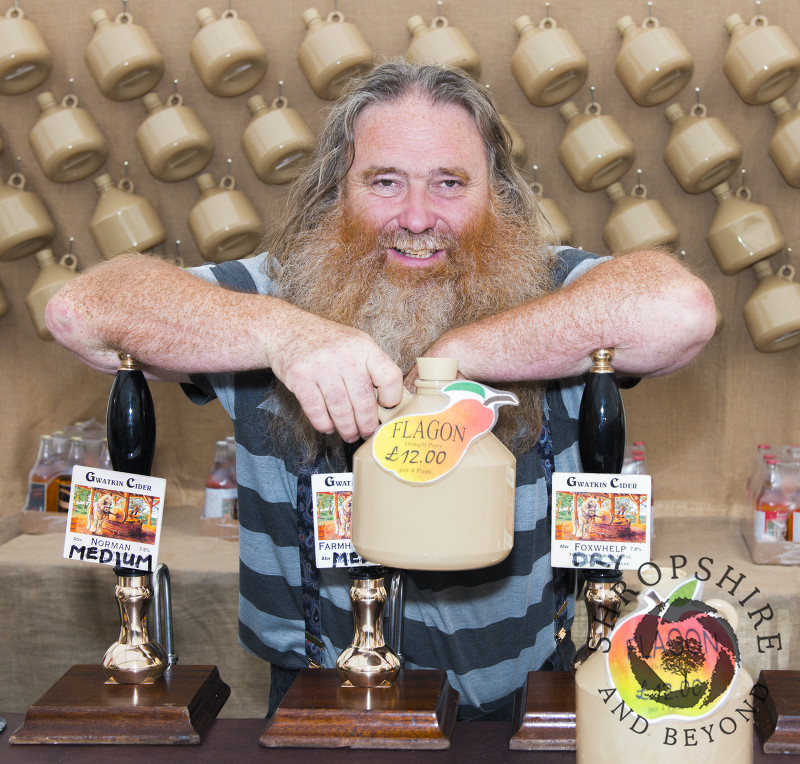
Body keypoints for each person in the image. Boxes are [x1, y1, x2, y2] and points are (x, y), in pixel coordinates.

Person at [46, 60, 716, 721]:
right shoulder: (278, 291)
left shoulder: (547, 286)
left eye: (451, 182)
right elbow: (82, 310)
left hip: (525, 694)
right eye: (385, 181)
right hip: (320, 695)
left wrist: (460, 353)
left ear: (498, 193)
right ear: (338, 187)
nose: (417, 217)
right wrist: (284, 335)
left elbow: (681, 312)